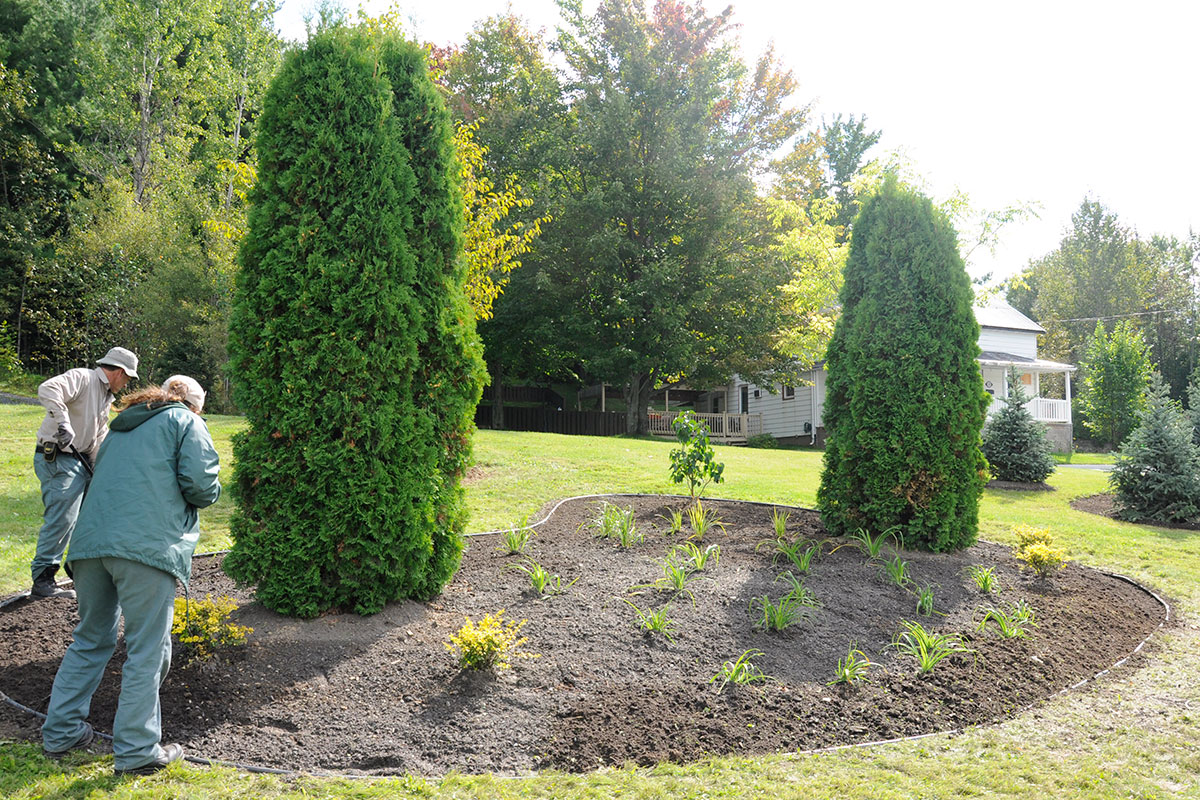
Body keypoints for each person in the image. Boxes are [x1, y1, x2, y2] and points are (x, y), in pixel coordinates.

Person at [40, 375, 221, 775]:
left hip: (89, 547)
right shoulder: (187, 423)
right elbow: (202, 488)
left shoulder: (120, 428)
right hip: (145, 549)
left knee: (90, 639)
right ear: (193, 405)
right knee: (147, 647)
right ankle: (138, 750)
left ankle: (60, 732)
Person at [30, 347, 139, 599]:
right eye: (128, 379)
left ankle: (79, 572)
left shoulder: (105, 396)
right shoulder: (83, 377)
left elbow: (96, 438)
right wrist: (63, 422)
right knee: (63, 519)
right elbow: (48, 389)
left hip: (79, 462)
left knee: (90, 517)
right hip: (58, 458)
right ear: (119, 372)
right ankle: (43, 579)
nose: (126, 385)